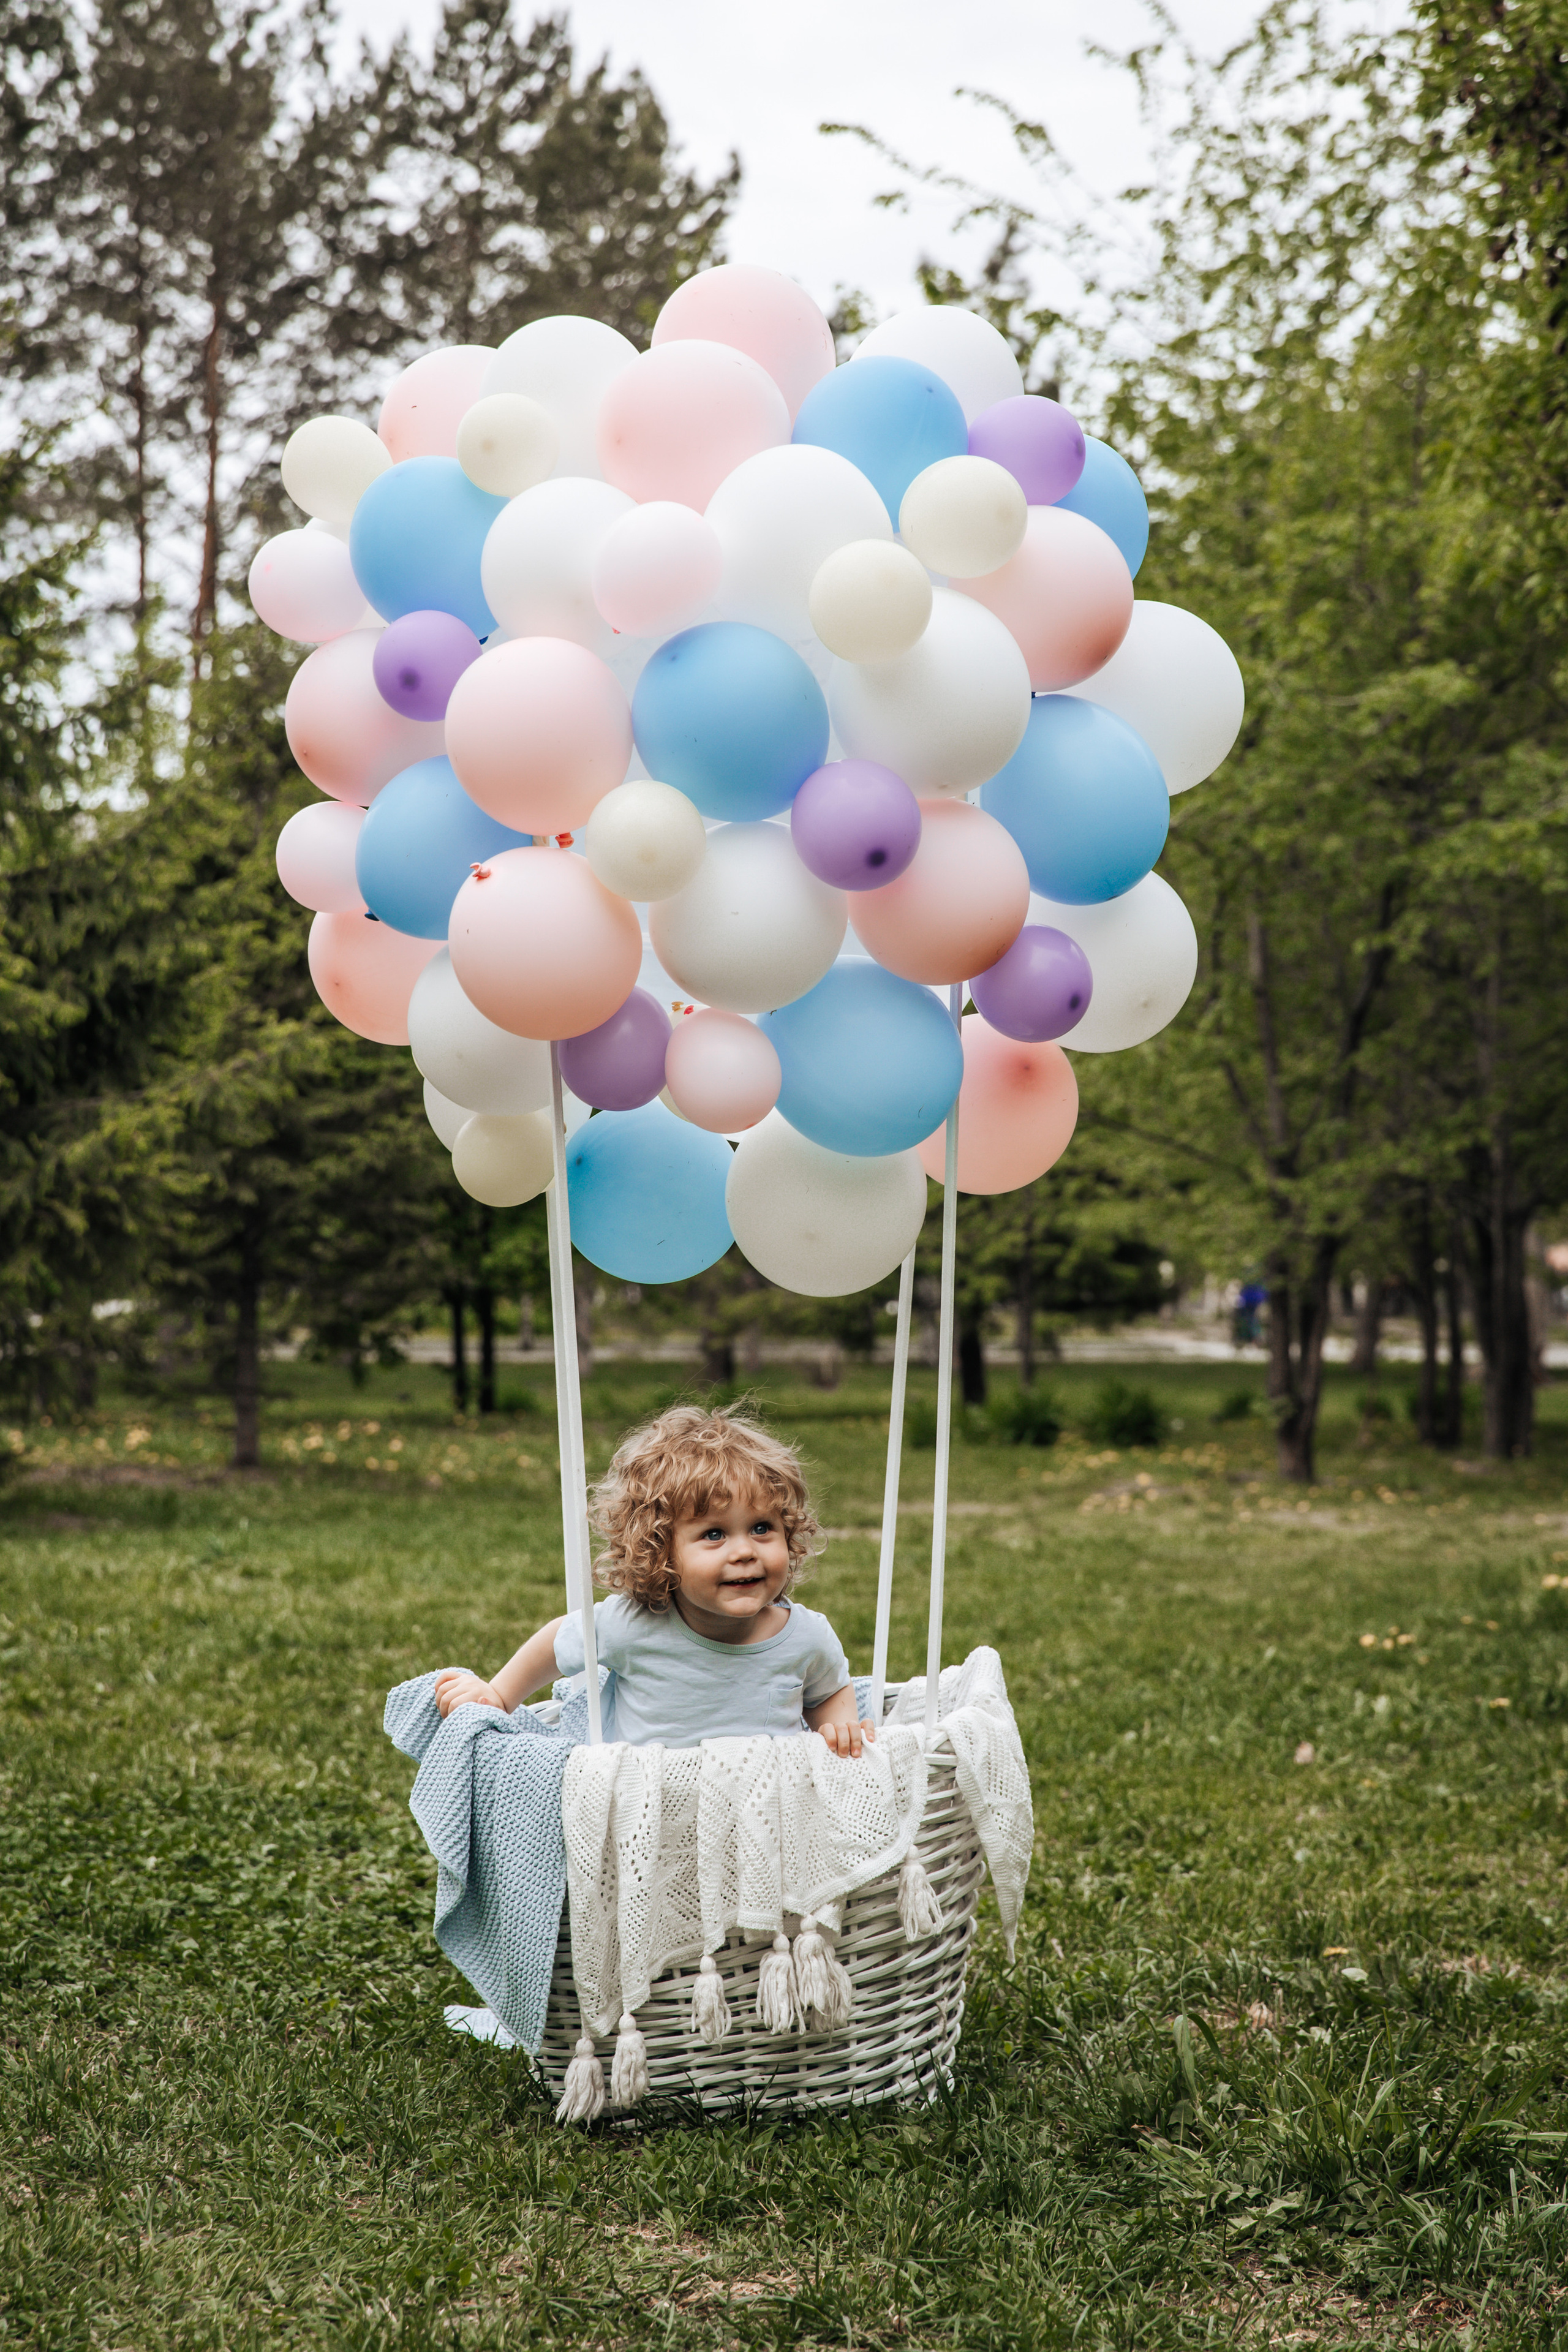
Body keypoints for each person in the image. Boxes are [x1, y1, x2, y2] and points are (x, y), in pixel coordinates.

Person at [434, 1403, 876, 1757]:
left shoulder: (805, 1636)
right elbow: (559, 1641)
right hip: (652, 1816)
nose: (745, 1551)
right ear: (662, 1552)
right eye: (714, 1534)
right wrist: (498, 1693)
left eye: (762, 1528)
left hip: (759, 1815)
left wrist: (839, 1731)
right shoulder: (635, 1625)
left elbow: (829, 1692)